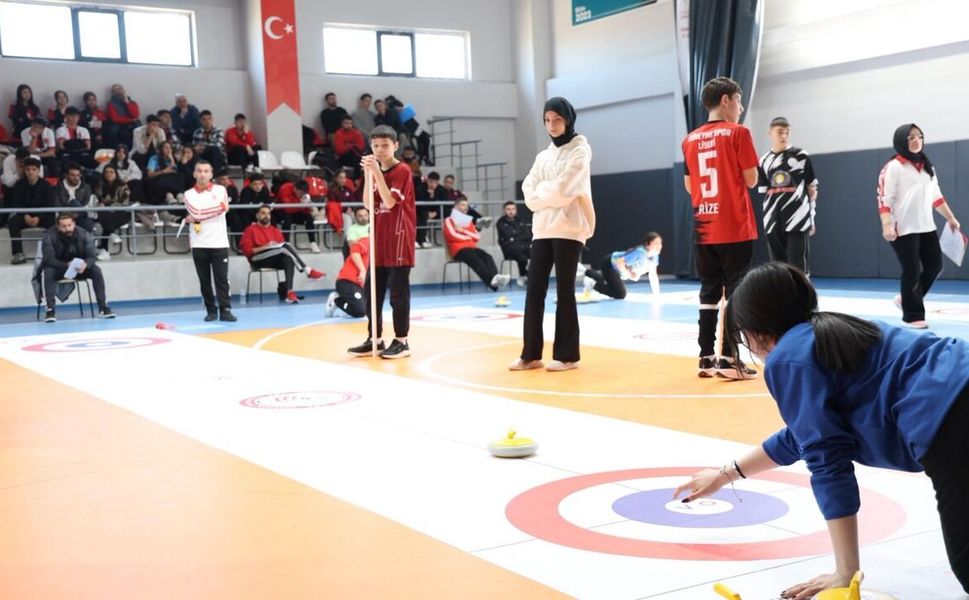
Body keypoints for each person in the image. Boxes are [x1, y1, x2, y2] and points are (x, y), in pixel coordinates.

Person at [675, 261, 969, 599]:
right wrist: (726, 474)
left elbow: (827, 460)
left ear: (755, 332)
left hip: (951, 416)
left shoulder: (787, 358)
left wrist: (845, 571)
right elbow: (802, 436)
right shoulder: (833, 329)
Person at [682, 76, 760, 380]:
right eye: (739, 101)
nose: (740, 108)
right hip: (734, 225)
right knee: (735, 292)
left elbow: (690, 186)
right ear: (726, 100)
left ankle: (706, 356)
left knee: (708, 291)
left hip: (703, 225)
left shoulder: (689, 140)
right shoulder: (738, 133)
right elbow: (751, 179)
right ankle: (729, 358)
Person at [511, 97, 595, 372]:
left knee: (565, 290)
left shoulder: (580, 151)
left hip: (569, 229)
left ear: (568, 119)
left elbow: (564, 189)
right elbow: (528, 189)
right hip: (542, 229)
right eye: (547, 120)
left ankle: (568, 355)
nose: (552, 125)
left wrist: (544, 194)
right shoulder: (542, 156)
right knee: (534, 290)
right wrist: (545, 196)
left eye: (557, 119)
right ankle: (530, 354)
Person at [878, 124, 961, 329]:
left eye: (919, 136)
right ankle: (913, 315)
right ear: (901, 141)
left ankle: (907, 299)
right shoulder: (894, 166)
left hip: (926, 226)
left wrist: (951, 218)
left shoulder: (926, 167)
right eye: (911, 137)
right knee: (912, 269)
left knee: (935, 266)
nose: (916, 140)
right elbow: (884, 197)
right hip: (902, 228)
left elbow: (936, 196)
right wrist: (887, 225)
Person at [346, 125, 416, 360]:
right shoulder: (374, 171)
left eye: (385, 145)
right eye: (375, 145)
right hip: (379, 240)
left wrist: (375, 173)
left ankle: (401, 340)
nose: (380, 150)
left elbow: (389, 202)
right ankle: (374, 337)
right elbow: (368, 204)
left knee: (398, 293)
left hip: (398, 238)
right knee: (371, 292)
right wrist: (369, 175)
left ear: (395, 146)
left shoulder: (402, 170)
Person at [758, 117, 819, 274]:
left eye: (787, 132)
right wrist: (767, 220)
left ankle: (801, 296)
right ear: (770, 133)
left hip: (797, 218)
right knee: (777, 266)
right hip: (773, 221)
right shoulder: (763, 161)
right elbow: (764, 194)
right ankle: (781, 296)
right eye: (780, 132)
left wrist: (811, 217)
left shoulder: (801, 155)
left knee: (797, 264)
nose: (784, 136)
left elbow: (812, 190)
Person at [183, 160, 236, 322]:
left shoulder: (221, 190)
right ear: (194, 173)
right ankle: (210, 310)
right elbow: (197, 212)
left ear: (211, 174)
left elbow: (198, 215)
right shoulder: (188, 194)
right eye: (199, 171)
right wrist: (219, 208)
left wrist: (197, 216)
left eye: (206, 171)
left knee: (222, 279)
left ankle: (225, 309)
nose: (203, 174)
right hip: (199, 243)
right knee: (204, 280)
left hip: (219, 242)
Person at [239, 204, 325, 304]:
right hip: (257, 259)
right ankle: (307, 270)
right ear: (257, 215)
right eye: (263, 213)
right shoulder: (250, 230)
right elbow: (247, 251)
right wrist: (266, 246)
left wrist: (274, 247)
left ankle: (289, 292)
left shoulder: (275, 230)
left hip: (273, 259)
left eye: (268, 214)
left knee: (289, 259)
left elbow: (284, 250)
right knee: (284, 247)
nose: (266, 216)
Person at [40, 213, 115, 322]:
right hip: (59, 268)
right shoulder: (49, 236)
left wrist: (86, 264)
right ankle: (50, 309)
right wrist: (66, 265)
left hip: (79, 268)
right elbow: (48, 260)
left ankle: (103, 307)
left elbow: (91, 256)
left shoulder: (84, 234)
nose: (67, 228)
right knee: (48, 271)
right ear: (58, 227)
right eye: (64, 226)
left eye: (69, 225)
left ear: (74, 224)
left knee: (96, 270)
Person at [444, 198, 511, 291]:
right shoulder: (448, 220)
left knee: (487, 257)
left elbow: (476, 237)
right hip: (458, 249)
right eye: (463, 205)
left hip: (471, 247)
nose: (466, 208)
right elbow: (452, 235)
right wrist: (468, 236)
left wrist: (463, 231)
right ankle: (493, 283)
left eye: (467, 206)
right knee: (475, 259)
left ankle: (495, 279)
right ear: (455, 206)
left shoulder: (468, 221)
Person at [583, 232, 663, 299]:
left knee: (611, 284)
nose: (659, 246)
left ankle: (586, 272)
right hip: (609, 264)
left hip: (616, 269)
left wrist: (657, 294)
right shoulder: (640, 253)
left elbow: (653, 275)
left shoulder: (654, 256)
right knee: (620, 294)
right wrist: (630, 275)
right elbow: (619, 263)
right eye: (656, 243)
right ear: (647, 244)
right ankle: (591, 282)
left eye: (660, 243)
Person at [8, 158, 56, 264]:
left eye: (34, 169)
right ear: (24, 170)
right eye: (28, 169)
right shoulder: (19, 185)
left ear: (39, 171)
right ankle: (18, 253)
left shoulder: (46, 186)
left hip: (42, 216)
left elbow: (49, 205)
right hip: (24, 216)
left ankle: (52, 252)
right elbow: (16, 203)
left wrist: (38, 217)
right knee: (13, 222)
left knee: (53, 222)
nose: (31, 172)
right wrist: (25, 216)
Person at [92, 165, 132, 259]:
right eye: (106, 172)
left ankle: (104, 249)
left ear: (116, 174)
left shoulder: (123, 186)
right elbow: (98, 200)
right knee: (103, 214)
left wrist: (107, 206)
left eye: (111, 172)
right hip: (106, 214)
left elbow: (123, 203)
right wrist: (101, 205)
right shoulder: (99, 185)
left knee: (105, 217)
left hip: (122, 212)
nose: (108, 174)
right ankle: (112, 233)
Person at [326, 232, 369, 319]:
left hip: (359, 285)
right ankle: (337, 300)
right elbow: (354, 251)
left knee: (368, 309)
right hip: (347, 281)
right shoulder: (367, 241)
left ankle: (349, 302)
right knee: (361, 311)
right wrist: (362, 270)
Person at [274, 178, 320, 253]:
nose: (302, 195)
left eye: (303, 193)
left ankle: (312, 242)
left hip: (296, 212)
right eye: (301, 193)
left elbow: (305, 210)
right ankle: (286, 243)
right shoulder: (285, 188)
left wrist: (308, 207)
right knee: (287, 219)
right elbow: (287, 208)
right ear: (295, 188)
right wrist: (301, 205)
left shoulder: (304, 195)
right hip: (281, 212)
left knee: (309, 218)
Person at [496, 200, 532, 286]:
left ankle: (529, 276)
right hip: (509, 249)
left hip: (523, 246)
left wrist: (514, 238)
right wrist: (518, 237)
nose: (511, 211)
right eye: (508, 209)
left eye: (513, 209)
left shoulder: (520, 220)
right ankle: (524, 276)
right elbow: (508, 235)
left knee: (536, 254)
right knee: (522, 257)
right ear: (504, 211)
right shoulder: (500, 223)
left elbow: (528, 235)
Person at [53, 163, 96, 234]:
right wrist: (70, 214)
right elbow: (57, 205)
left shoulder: (86, 187)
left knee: (87, 222)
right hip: (64, 217)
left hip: (81, 217)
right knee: (73, 203)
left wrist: (77, 214)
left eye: (78, 175)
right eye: (72, 175)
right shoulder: (57, 188)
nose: (76, 178)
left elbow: (87, 204)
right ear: (66, 175)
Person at [144, 141, 185, 206]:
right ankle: (169, 197)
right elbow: (149, 175)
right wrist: (163, 171)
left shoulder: (173, 159)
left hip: (171, 182)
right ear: (161, 149)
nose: (168, 150)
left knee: (178, 176)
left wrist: (171, 159)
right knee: (164, 177)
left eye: (170, 148)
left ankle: (179, 196)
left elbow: (175, 171)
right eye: (166, 148)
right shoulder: (154, 158)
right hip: (159, 182)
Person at [415, 171, 448, 248]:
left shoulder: (441, 190)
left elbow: (446, 204)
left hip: (437, 212)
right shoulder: (420, 188)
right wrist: (429, 195)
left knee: (450, 211)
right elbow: (420, 205)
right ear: (427, 180)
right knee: (423, 214)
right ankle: (422, 239)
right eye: (431, 181)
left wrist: (436, 212)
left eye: (435, 182)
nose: (432, 184)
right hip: (423, 212)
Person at [104, 84, 140, 149]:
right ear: (113, 93)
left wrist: (127, 103)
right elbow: (115, 118)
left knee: (138, 125)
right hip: (118, 124)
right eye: (115, 90)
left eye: (120, 89)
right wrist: (130, 120)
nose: (118, 91)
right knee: (112, 130)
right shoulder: (111, 104)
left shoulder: (132, 102)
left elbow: (135, 115)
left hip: (132, 123)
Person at [327, 168, 355, 237]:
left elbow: (352, 200)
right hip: (338, 213)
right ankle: (347, 244)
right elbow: (333, 205)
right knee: (348, 219)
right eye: (341, 178)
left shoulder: (348, 189)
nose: (343, 180)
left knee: (359, 218)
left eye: (344, 178)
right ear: (336, 179)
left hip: (349, 211)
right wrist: (345, 209)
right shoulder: (332, 191)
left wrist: (351, 208)